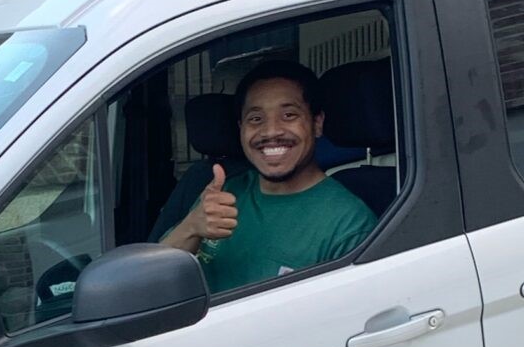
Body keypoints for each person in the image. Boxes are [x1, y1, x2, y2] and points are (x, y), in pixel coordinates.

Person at [160, 58, 376, 293]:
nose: (271, 131)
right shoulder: (223, 193)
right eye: (256, 119)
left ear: (317, 123)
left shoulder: (349, 225)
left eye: (289, 115)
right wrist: (191, 227)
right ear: (241, 127)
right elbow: (151, 282)